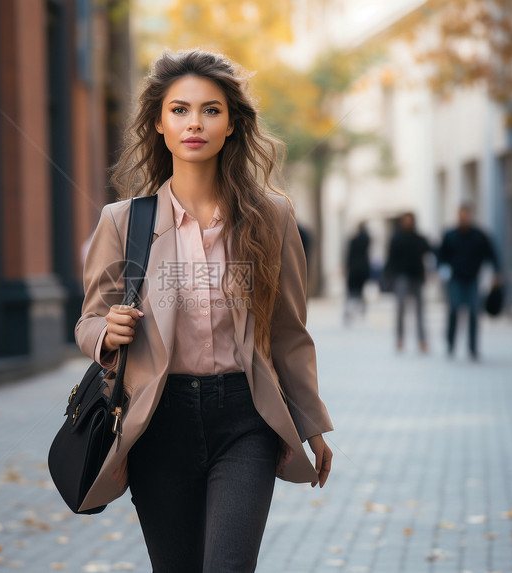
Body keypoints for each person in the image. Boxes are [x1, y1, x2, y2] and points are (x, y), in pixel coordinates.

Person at [74, 49, 334, 572]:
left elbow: (288, 331)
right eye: (180, 110)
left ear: (233, 124)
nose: (195, 123)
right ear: (159, 123)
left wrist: (311, 422)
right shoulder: (123, 221)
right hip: (157, 421)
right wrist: (109, 330)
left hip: (245, 418)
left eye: (211, 110)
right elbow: (88, 321)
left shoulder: (270, 216)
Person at [438, 204, 501, 360]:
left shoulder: (479, 235)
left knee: (474, 312)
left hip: (473, 279)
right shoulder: (450, 235)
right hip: (455, 279)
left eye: (466, 215)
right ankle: (450, 344)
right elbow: (441, 255)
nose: (463, 218)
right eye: (461, 215)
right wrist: (442, 270)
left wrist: (496, 273)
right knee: (453, 311)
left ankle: (473, 348)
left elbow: (492, 254)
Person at [384, 212, 431, 352]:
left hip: (417, 276)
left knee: (420, 311)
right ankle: (399, 338)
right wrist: (389, 276)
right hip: (401, 276)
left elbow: (429, 251)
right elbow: (390, 259)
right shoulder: (396, 239)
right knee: (400, 309)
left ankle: (422, 340)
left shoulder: (419, 238)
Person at [343, 222, 371, 323]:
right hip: (363, 268)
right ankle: (360, 308)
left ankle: (349, 312)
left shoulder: (354, 240)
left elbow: (349, 255)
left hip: (354, 268)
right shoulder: (367, 240)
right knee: (360, 290)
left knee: (351, 291)